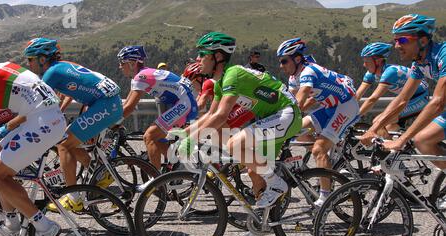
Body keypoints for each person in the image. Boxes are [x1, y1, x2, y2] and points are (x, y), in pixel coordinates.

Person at [357, 15, 445, 236]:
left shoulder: (443, 54)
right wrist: (374, 128)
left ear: (423, 40)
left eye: (403, 39)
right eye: (395, 40)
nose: (397, 46)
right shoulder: (420, 62)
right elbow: (401, 101)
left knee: (420, 139)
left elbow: (437, 102)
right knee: (424, 141)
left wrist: (400, 140)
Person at [179, 32, 302, 209]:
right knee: (254, 171)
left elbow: (221, 117)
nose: (198, 59)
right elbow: (210, 115)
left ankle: (277, 183)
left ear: (218, 56)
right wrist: (182, 134)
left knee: (234, 145)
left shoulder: (233, 74)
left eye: (202, 54)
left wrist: (193, 139)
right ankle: (260, 225)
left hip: (287, 114)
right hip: (273, 117)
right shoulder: (220, 83)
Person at [24, 38, 123, 212]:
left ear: (41, 59)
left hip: (106, 104)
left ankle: (73, 197)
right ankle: (100, 172)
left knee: (63, 145)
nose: (28, 63)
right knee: (69, 141)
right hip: (106, 103)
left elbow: (36, 104)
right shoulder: (61, 66)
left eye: (30, 59)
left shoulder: (51, 73)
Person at [0, 61, 67, 236]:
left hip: (41, 124)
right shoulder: (3, 67)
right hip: (43, 119)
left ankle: (44, 226)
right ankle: (11, 220)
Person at [278, 37, 360, 207]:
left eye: (284, 61)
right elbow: (291, 102)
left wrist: (283, 119)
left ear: (297, 58)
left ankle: (326, 197)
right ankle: (323, 164)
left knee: (319, 149)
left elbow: (299, 102)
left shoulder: (308, 71)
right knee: (297, 129)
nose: (281, 65)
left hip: (345, 106)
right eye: (280, 61)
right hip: (329, 107)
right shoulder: (294, 77)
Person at [117, 46, 198, 171]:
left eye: (122, 63)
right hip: (183, 102)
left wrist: (109, 123)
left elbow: (129, 107)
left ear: (132, 63)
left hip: (184, 103)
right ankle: (179, 167)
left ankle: (156, 182)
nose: (120, 66)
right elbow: (126, 104)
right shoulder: (140, 76)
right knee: (156, 138)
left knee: (149, 136)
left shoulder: (141, 77)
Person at [356, 42, 429, 134]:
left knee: (377, 122)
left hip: (420, 97)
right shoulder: (370, 74)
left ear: (377, 61)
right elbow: (357, 95)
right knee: (389, 129)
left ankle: (391, 147)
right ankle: (403, 147)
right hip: (406, 98)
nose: (364, 65)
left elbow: (373, 99)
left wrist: (355, 117)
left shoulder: (390, 72)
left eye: (367, 62)